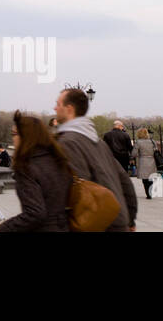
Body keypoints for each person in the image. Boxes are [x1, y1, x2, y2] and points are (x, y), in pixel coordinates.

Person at [52, 88, 136, 232]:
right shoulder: (98, 142)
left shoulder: (68, 142)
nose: (54, 108)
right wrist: (130, 219)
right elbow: (124, 181)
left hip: (98, 225)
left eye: (58, 104)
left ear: (69, 109)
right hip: (117, 220)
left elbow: (79, 192)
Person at [0, 113, 71, 232]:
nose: (13, 138)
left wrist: (4, 228)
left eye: (14, 134)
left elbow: (35, 214)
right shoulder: (59, 160)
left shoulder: (26, 168)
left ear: (25, 136)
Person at [134, 128, 159, 200]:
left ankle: (148, 194)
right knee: (150, 177)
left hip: (143, 161)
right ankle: (150, 192)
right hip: (152, 160)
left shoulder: (138, 142)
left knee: (144, 178)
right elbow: (156, 151)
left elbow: (134, 153)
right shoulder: (152, 141)